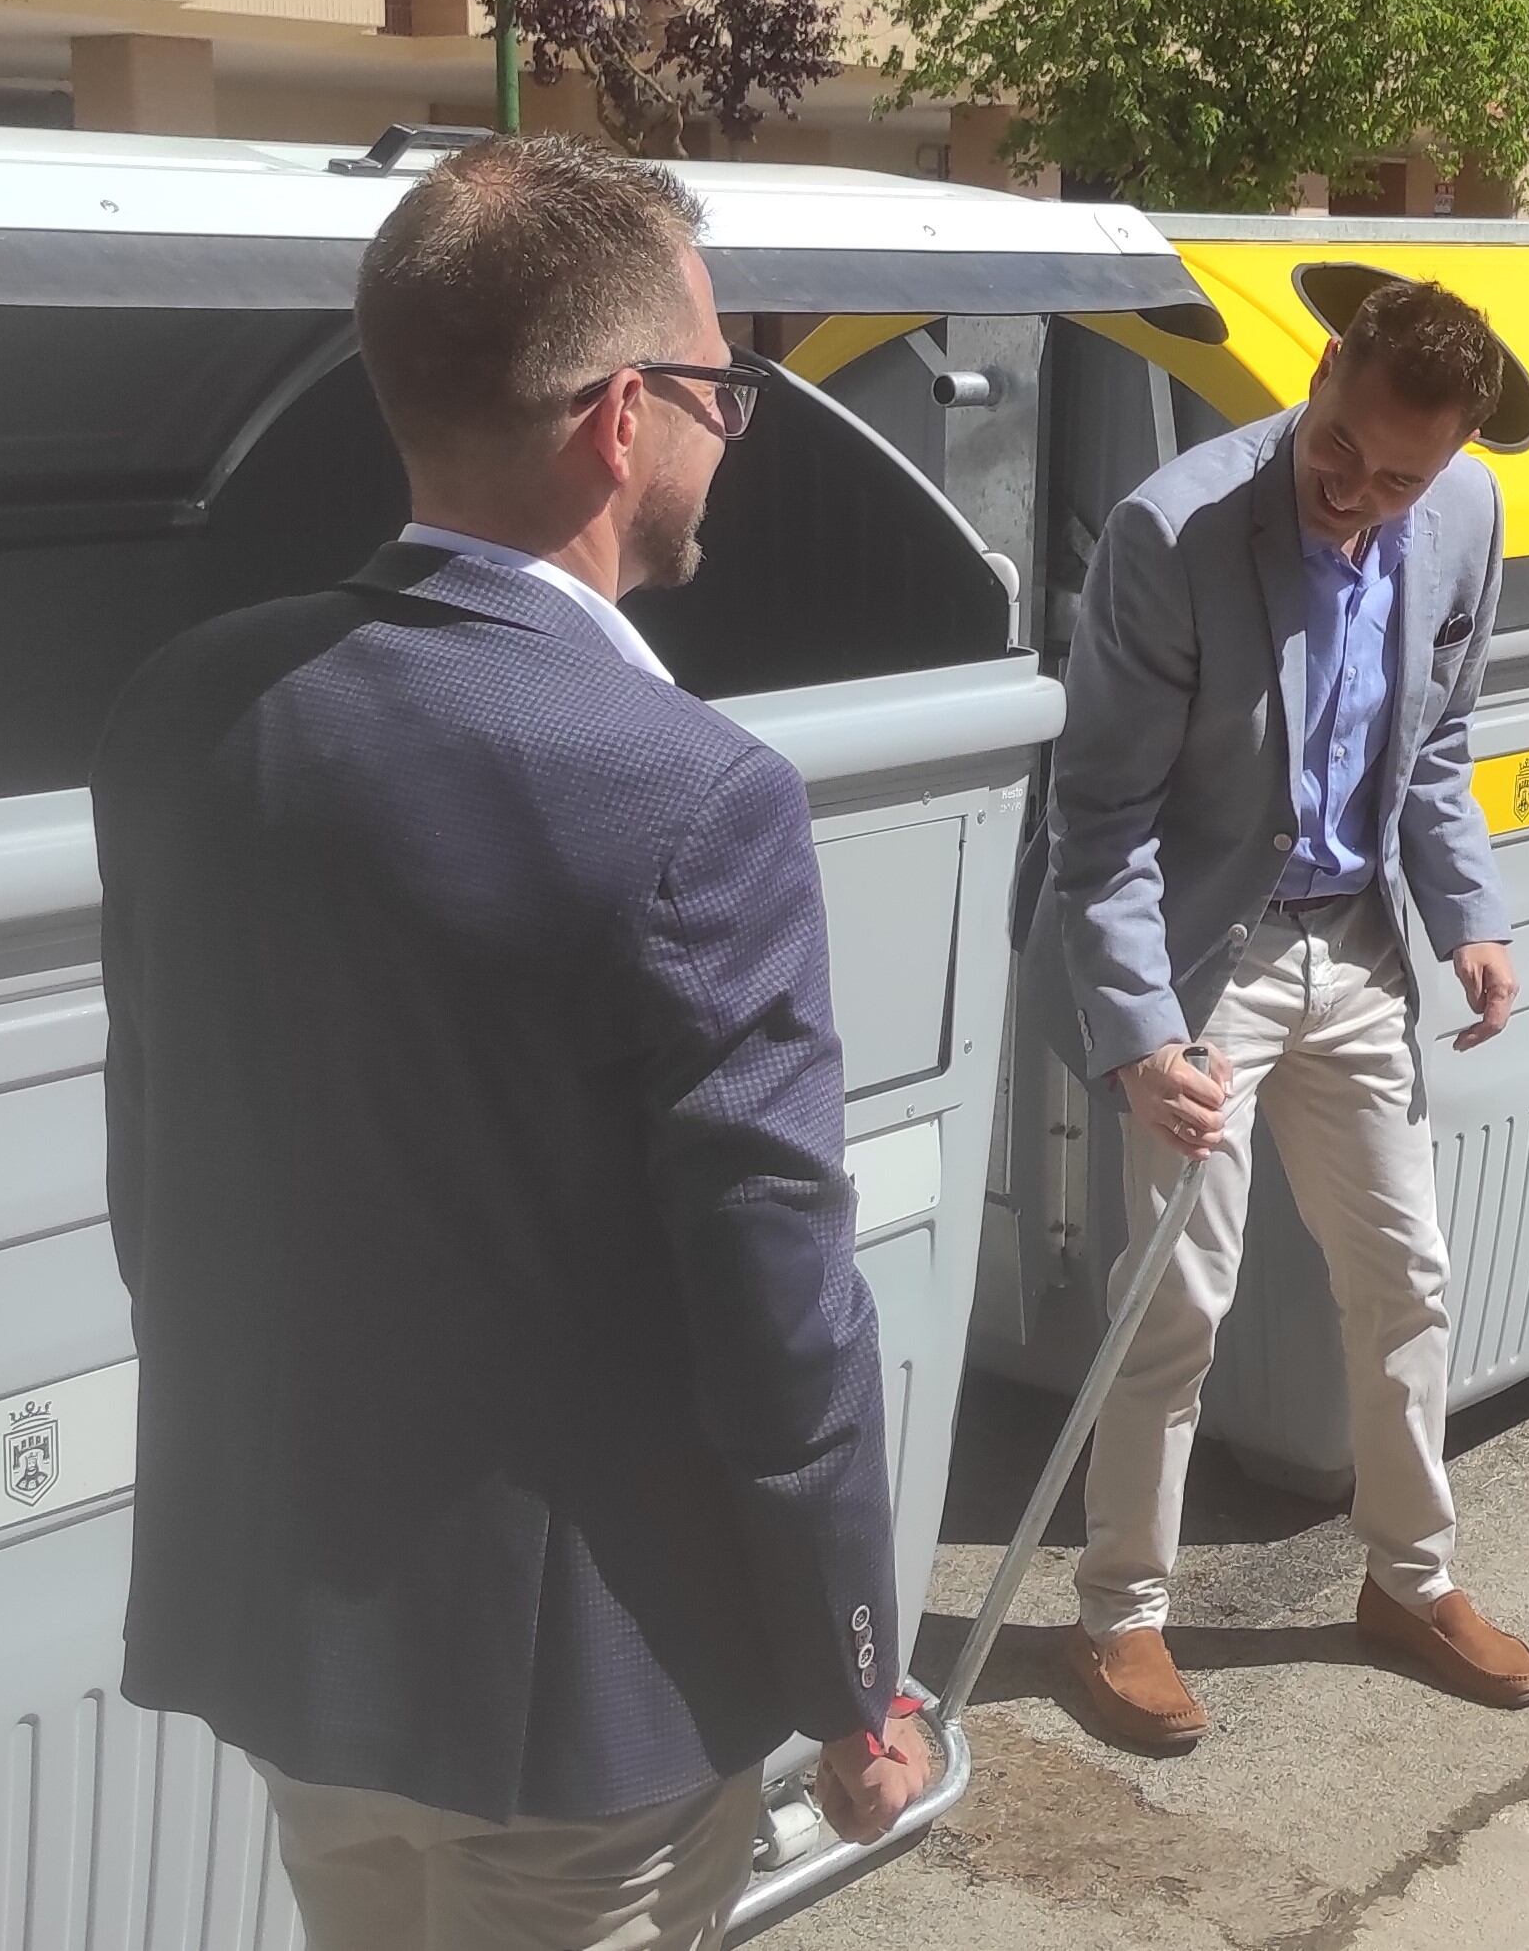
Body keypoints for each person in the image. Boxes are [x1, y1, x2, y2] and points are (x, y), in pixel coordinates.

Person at [92, 135, 931, 1951]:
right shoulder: (692, 796)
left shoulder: (183, 712)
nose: (733, 432)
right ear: (623, 416)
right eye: (727, 390)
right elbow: (784, 1320)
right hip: (582, 1723)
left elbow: (155, 1194)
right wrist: (856, 1679)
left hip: (295, 1634)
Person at [1025, 277, 1529, 1752]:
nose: (1360, 497)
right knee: (1175, 1294)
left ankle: (1410, 1579)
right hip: (1209, 963)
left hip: (1360, 950)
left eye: (1401, 477)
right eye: (1343, 455)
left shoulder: (1463, 517)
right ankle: (1119, 1613)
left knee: (1405, 1279)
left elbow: (1436, 746)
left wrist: (1472, 918)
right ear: (1321, 373)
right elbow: (1102, 815)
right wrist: (1136, 1032)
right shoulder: (1171, 532)